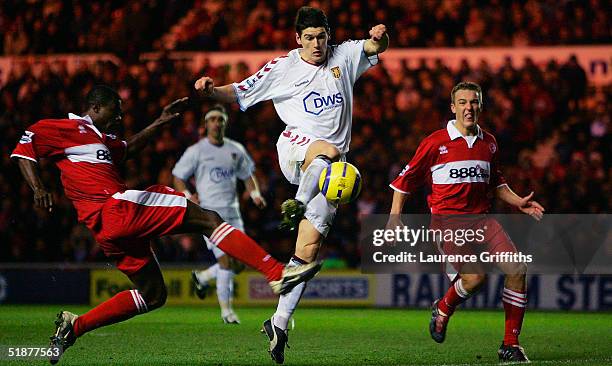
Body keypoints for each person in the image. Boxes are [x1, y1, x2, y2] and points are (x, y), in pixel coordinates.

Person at [10, 85, 321, 364]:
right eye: (115, 112)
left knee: (154, 295)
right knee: (207, 219)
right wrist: (37, 187)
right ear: (95, 108)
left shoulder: (101, 141)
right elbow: (26, 146)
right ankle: (276, 273)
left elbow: (128, 150)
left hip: (107, 230)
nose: (119, 118)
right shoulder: (68, 128)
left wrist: (159, 122)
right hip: (116, 208)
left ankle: (74, 327)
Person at [194, 6, 388, 364]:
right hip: (295, 149)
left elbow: (376, 49)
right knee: (326, 150)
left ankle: (278, 322)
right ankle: (296, 201)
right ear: (298, 39)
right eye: (310, 38)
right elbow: (239, 91)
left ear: (329, 35)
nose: (317, 44)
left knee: (307, 251)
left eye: (322, 36)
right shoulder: (283, 67)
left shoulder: (343, 55)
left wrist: (378, 38)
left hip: (330, 171)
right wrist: (209, 92)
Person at [388, 81, 545, 363]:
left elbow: (496, 182)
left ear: (480, 106)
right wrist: (394, 217)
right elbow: (405, 181)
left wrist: (518, 200)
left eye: (473, 102)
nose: (468, 108)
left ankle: (510, 344)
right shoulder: (435, 142)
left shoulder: (490, 143)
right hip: (448, 225)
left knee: (518, 268)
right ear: (453, 107)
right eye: (462, 102)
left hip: (483, 221)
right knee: (475, 279)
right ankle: (444, 307)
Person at [173, 104, 267, 324]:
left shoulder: (235, 149)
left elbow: (247, 176)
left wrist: (255, 195)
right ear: (206, 124)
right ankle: (226, 312)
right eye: (213, 119)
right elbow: (178, 176)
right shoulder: (196, 151)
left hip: (233, 212)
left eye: (220, 119)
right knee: (226, 261)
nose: (217, 123)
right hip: (209, 215)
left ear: (225, 123)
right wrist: (187, 194)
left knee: (240, 262)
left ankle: (203, 276)